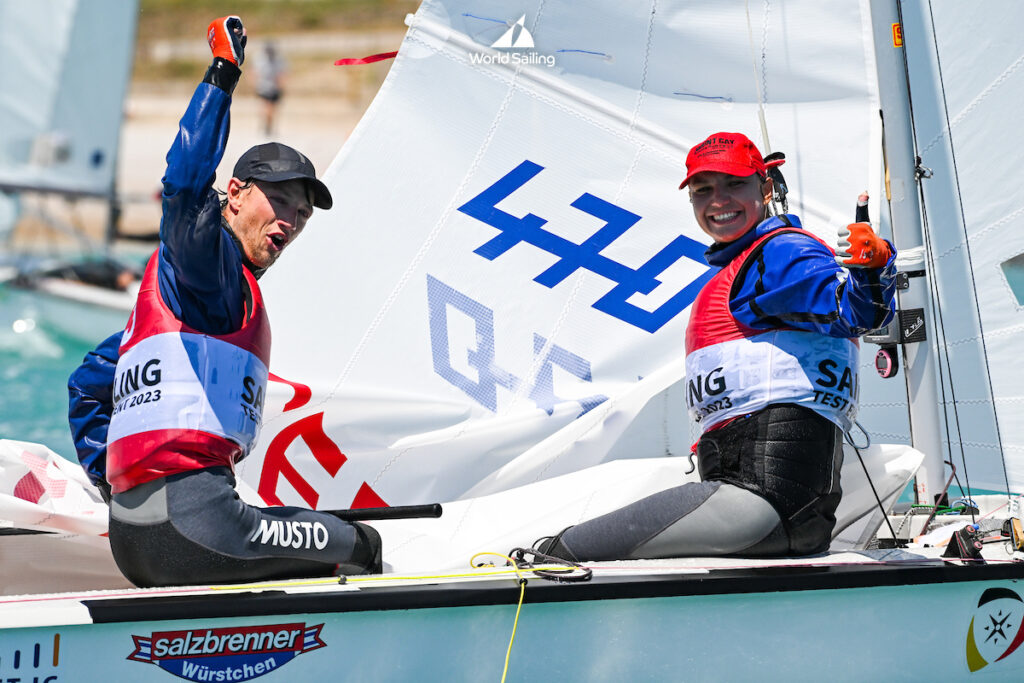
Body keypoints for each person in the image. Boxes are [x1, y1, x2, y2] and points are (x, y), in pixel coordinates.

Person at [66, 16, 381, 587]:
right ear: (234, 196)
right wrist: (222, 75)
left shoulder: (175, 304)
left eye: (302, 215)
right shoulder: (209, 270)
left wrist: (117, 485)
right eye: (279, 200)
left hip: (133, 538)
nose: (288, 220)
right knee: (363, 542)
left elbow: (88, 382)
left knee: (297, 527)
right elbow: (184, 187)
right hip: (196, 526)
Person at [539, 132, 897, 561]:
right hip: (792, 518)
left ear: (766, 189)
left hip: (755, 508)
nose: (718, 200)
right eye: (702, 190)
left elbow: (852, 311)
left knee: (558, 552)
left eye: (735, 184)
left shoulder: (779, 254)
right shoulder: (751, 263)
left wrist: (872, 270)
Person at [253, 41, 286, 137]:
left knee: (272, 108)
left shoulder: (278, 59)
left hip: (274, 87)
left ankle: (268, 126)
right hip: (263, 87)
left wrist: (281, 85)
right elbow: (254, 72)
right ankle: (266, 126)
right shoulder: (259, 58)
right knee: (266, 107)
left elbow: (282, 74)